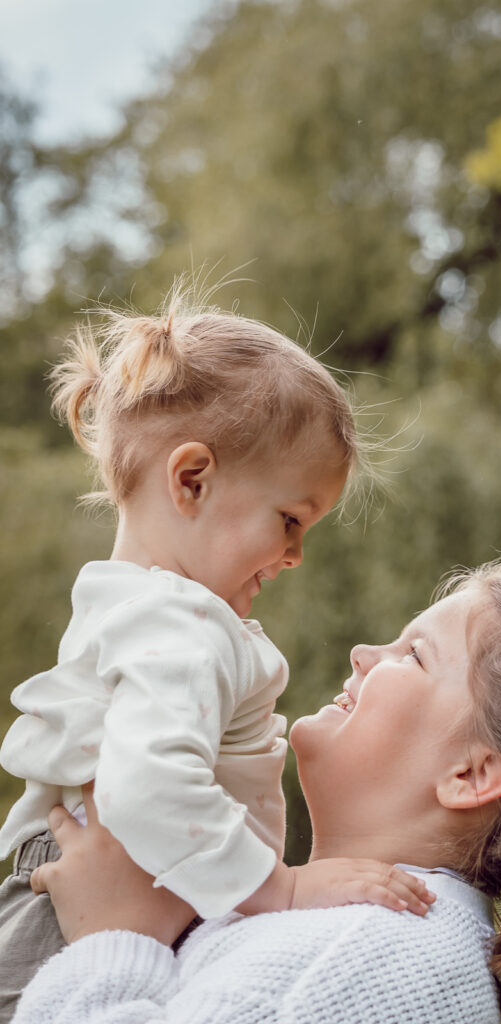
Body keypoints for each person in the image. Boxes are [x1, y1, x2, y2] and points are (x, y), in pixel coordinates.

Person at [0, 288, 432, 1021]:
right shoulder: (179, 623)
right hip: (69, 905)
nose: (295, 554)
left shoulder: (145, 607)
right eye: (291, 519)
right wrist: (281, 889)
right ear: (191, 479)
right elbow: (142, 790)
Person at [12, 557, 501, 1024]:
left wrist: (112, 940)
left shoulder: (365, 957)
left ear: (470, 775)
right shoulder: (346, 935)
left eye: (413, 655)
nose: (361, 652)